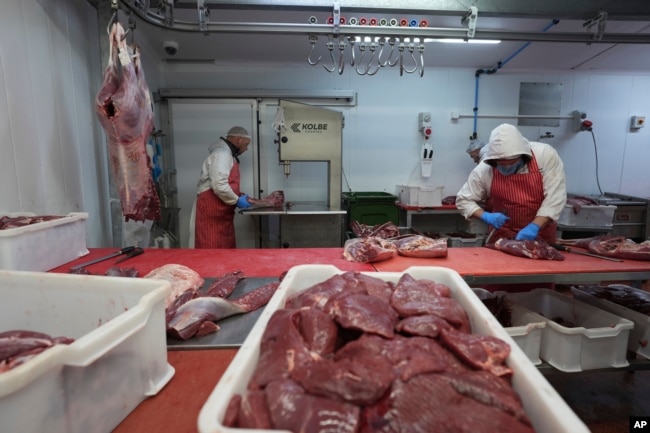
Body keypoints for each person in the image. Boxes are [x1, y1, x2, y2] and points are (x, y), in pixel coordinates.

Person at [456, 123, 567, 245]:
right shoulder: (485, 169)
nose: (507, 167)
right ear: (493, 160)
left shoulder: (545, 155)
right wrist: (485, 216)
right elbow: (463, 200)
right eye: (502, 164)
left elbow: (555, 197)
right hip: (502, 234)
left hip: (540, 233)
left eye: (512, 163)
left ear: (523, 156)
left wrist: (535, 226)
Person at [194, 126, 252, 249]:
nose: (246, 148)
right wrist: (236, 200)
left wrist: (237, 194)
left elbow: (226, 181)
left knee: (225, 248)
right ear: (238, 139)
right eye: (246, 144)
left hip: (221, 213)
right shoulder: (222, 154)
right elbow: (219, 185)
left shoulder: (227, 154)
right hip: (212, 210)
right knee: (212, 248)